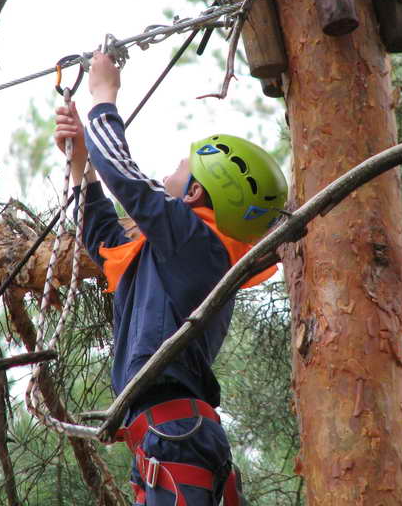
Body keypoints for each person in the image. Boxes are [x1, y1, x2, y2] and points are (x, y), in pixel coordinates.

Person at [54, 52, 288, 506]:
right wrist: (81, 162)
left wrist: (105, 96)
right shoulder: (174, 255)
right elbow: (103, 237)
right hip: (168, 435)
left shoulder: (199, 245)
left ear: (196, 192)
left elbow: (128, 181)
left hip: (175, 434)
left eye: (183, 167)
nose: (170, 172)